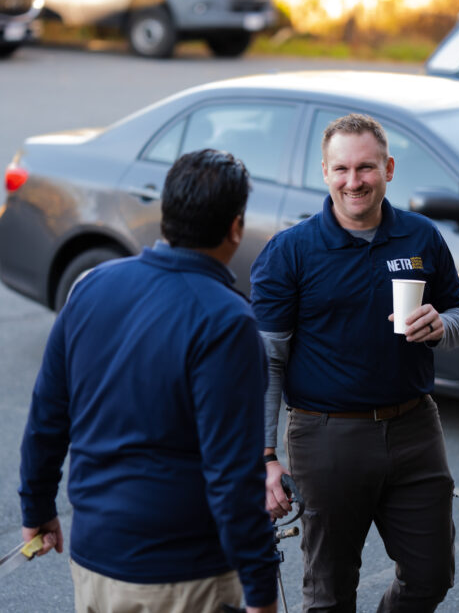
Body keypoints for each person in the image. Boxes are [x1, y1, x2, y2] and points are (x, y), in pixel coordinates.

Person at [18, 149, 279, 613]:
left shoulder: (91, 288)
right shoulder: (227, 321)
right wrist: (260, 592)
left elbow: (47, 417)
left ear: (166, 215)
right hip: (183, 577)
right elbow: (233, 477)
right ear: (236, 227)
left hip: (95, 562)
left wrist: (36, 509)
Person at [250, 113, 459, 612]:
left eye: (366, 168)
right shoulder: (290, 252)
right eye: (342, 169)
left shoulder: (421, 238)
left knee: (431, 575)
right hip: (327, 436)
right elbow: (266, 363)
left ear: (389, 168)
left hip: (416, 428)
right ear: (325, 173)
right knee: (328, 593)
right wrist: (264, 458)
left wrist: (443, 327)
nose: (355, 182)